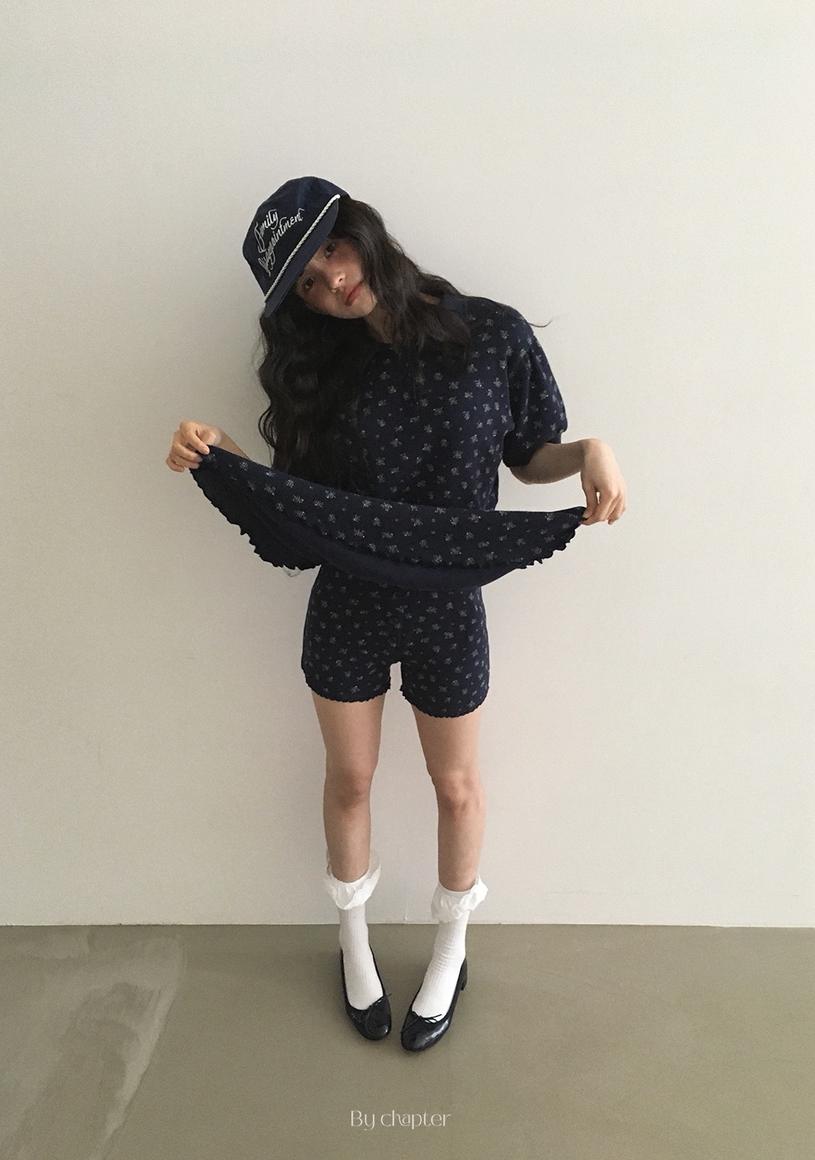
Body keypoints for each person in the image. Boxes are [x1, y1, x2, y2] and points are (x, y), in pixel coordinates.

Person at [166, 176, 626, 1051]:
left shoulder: (492, 332)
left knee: (457, 787)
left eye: (331, 251)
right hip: (348, 604)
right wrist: (223, 454)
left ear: (362, 230)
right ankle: (354, 944)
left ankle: (452, 949)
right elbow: (301, 505)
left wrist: (589, 452)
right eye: (306, 283)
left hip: (449, 605)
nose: (331, 282)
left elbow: (528, 455)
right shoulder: (318, 371)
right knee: (350, 781)